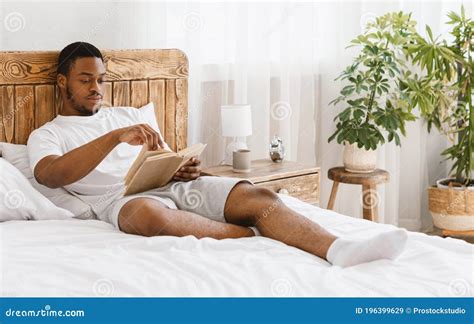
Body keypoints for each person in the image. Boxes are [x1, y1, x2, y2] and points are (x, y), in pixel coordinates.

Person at [27, 42, 408, 267]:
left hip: (170, 185)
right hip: (122, 200)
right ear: (63, 82)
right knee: (145, 214)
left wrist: (183, 166)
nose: (97, 88)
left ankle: (340, 249)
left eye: (102, 79)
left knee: (258, 195)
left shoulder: (128, 115)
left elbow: (163, 156)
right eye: (86, 79)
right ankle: (250, 236)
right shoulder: (47, 134)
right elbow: (51, 176)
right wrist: (113, 137)